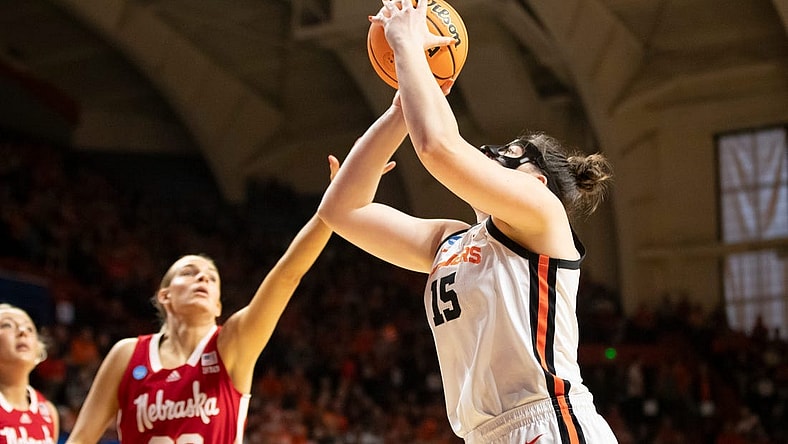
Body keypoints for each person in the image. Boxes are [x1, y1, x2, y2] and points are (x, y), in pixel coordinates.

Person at [317, 1, 618, 442]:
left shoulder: (542, 214)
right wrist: (403, 107)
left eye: (511, 153)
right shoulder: (451, 241)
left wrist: (406, 43)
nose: (492, 153)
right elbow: (341, 211)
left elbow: (439, 148)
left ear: (538, 178)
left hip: (550, 422)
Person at [65, 157, 393, 444]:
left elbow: (287, 275)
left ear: (219, 307)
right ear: (165, 295)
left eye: (211, 277)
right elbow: (81, 438)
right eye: (190, 272)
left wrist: (331, 211)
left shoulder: (231, 343)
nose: (202, 278)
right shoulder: (127, 355)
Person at [0, 303, 59, 443]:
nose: (22, 331)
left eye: (29, 328)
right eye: (7, 325)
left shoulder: (49, 412)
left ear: (38, 352)